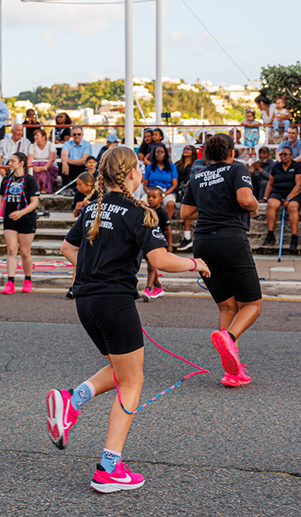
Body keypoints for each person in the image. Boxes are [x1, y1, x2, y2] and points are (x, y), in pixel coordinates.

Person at [53, 145, 209, 493]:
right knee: (132, 381)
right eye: (139, 168)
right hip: (114, 302)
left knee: (121, 369)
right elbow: (162, 260)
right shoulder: (140, 211)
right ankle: (109, 467)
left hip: (86, 302)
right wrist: (196, 263)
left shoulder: (93, 206)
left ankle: (72, 399)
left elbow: (67, 248)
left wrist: (94, 269)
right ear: (132, 174)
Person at [181, 133, 260, 387]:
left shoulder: (197, 176)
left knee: (227, 307)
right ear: (231, 153)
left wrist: (209, 204)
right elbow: (245, 200)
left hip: (203, 241)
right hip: (230, 239)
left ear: (205, 155)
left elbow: (185, 212)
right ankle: (230, 338)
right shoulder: (237, 169)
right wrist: (255, 205)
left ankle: (232, 371)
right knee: (252, 305)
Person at [0, 152, 40, 295]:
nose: (9, 163)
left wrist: (21, 213)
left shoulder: (30, 180)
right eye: (9, 161)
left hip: (26, 219)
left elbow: (34, 202)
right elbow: (1, 200)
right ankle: (10, 281)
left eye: (13, 161)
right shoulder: (6, 179)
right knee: (11, 249)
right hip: (9, 218)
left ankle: (28, 279)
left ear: (21, 163)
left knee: (25, 252)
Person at [261, 146, 301, 252]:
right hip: (279, 192)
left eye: (285, 154)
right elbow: (270, 183)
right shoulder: (276, 167)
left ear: (291, 156)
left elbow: (300, 184)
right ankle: (270, 234)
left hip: (296, 193)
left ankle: (294, 238)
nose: (283, 156)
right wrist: (265, 197)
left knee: (292, 206)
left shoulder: (298, 166)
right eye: (281, 154)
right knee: (271, 204)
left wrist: (289, 198)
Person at [141, 187, 173, 301]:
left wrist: (169, 245)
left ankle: (147, 289)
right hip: (147, 242)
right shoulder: (145, 212)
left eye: (154, 197)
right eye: (148, 197)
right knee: (152, 265)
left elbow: (168, 230)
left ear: (160, 199)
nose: (150, 199)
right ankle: (158, 286)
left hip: (157, 243)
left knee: (151, 265)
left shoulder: (163, 213)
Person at [0, 123, 31, 194]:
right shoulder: (3, 142)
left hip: (19, 168)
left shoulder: (26, 142)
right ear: (12, 131)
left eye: (21, 131)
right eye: (17, 130)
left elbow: (26, 158)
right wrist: (1, 168)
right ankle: (4, 193)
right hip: (6, 168)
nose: (20, 133)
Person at [142, 144, 178, 219]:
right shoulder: (149, 166)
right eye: (157, 152)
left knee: (170, 204)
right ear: (154, 154)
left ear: (165, 154)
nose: (159, 154)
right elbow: (145, 185)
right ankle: (147, 225)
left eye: (162, 152)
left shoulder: (172, 166)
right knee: (142, 203)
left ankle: (165, 225)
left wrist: (164, 194)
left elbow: (174, 185)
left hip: (167, 192)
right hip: (151, 191)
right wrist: (149, 193)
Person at [176, 144, 198, 251]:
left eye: (189, 149)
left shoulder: (196, 165)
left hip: (189, 191)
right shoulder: (178, 165)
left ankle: (187, 237)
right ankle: (187, 237)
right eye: (184, 148)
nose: (186, 150)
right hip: (178, 190)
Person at [28, 128, 58, 194]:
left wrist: (43, 168)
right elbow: (30, 159)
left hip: (49, 166)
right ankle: (41, 188)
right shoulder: (32, 146)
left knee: (43, 170)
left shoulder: (50, 145)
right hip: (36, 166)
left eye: (37, 135)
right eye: (34, 135)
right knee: (37, 169)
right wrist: (33, 167)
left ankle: (42, 188)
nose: (34, 137)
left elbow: (51, 159)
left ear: (43, 137)